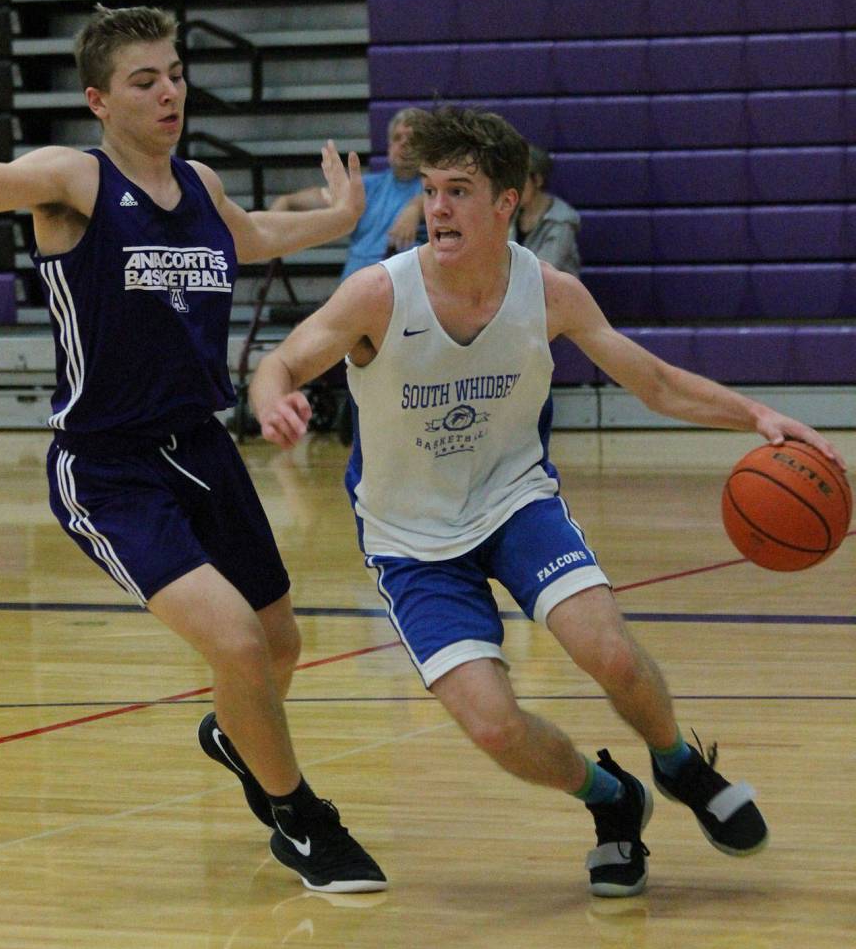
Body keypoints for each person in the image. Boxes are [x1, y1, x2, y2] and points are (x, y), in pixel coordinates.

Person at [249, 105, 847, 899]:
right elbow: (280, 362)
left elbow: (655, 381)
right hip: (410, 538)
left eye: (458, 191)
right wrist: (272, 401)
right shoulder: (378, 295)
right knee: (494, 726)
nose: (437, 209)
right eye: (429, 191)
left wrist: (757, 415)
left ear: (508, 204)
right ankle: (611, 799)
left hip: (514, 502)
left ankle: (676, 765)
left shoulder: (549, 292)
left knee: (608, 651)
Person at [0, 5, 386, 894]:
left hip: (201, 448)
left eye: (173, 72)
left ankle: (233, 731)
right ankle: (301, 823)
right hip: (107, 465)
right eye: (144, 80)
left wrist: (339, 216)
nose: (169, 90)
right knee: (241, 645)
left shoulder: (201, 184)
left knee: (279, 646)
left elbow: (251, 238)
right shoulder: (71, 178)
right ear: (99, 99)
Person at [271, 106, 427, 281]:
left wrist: (416, 207)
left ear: (426, 148)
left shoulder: (432, 187)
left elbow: (441, 197)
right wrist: (286, 201)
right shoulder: (368, 185)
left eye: (413, 139)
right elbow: (323, 196)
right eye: (398, 138)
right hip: (352, 288)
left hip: (399, 292)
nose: (404, 143)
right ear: (389, 147)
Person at [510, 144, 581, 276]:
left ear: (537, 180)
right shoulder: (510, 214)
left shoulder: (562, 219)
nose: (513, 188)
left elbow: (543, 271)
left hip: (556, 295)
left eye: (519, 181)